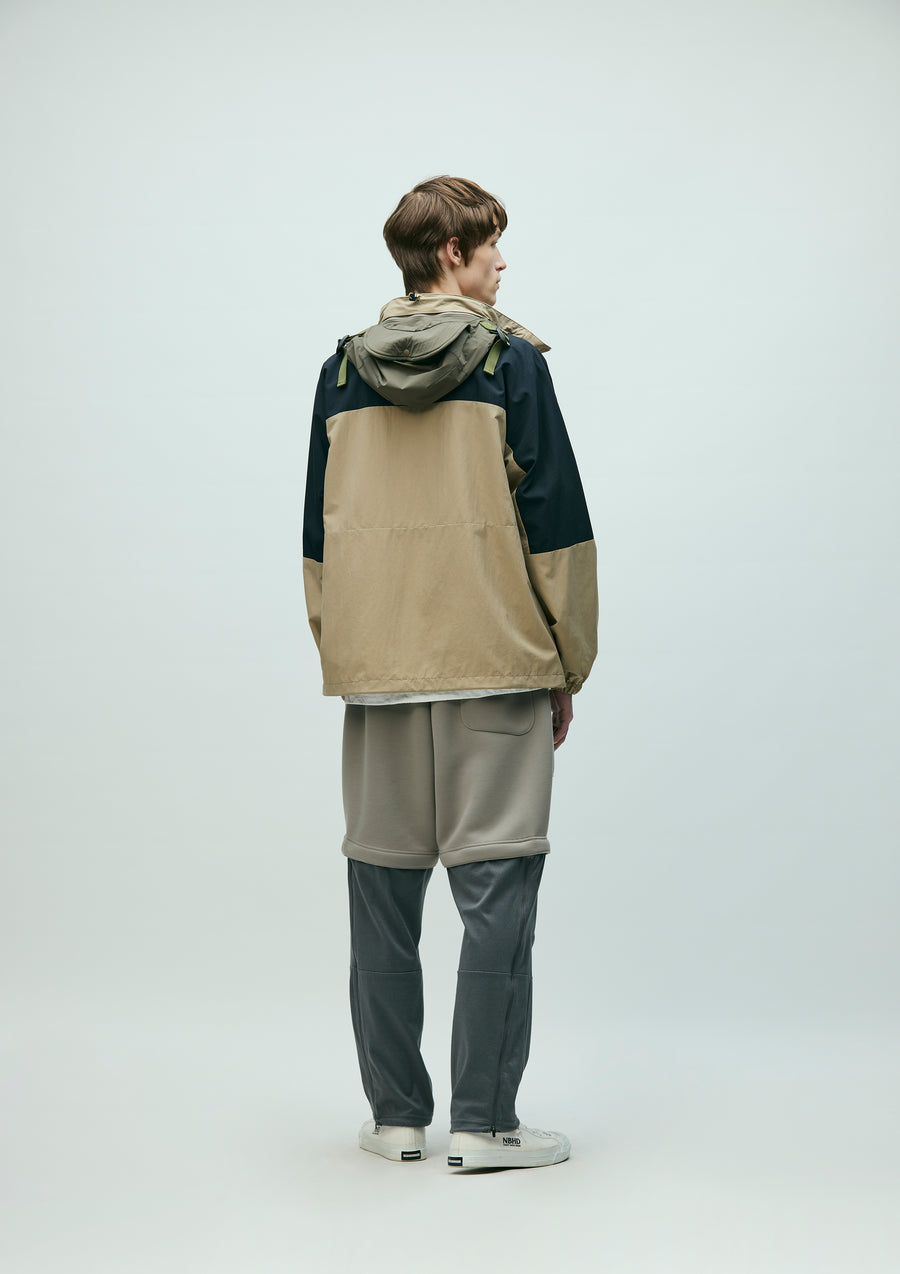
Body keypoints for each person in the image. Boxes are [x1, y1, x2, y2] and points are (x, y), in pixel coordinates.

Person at [302, 176, 598, 1170]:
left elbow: (318, 536)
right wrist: (568, 662)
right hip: (495, 664)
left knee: (381, 895)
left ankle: (396, 1120)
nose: (502, 260)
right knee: (497, 891)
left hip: (378, 670)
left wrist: (350, 649)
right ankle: (485, 1122)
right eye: (490, 245)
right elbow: (557, 524)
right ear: (450, 255)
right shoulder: (513, 363)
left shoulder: (340, 371)